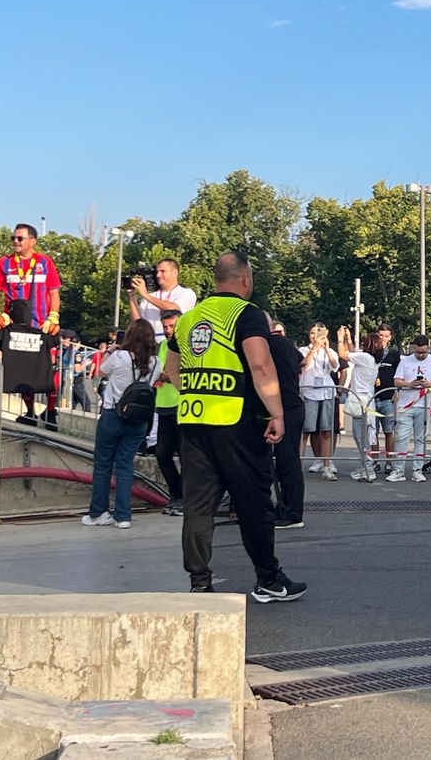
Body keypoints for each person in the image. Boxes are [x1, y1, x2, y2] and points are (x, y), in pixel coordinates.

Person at [166, 250, 305, 602]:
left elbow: (170, 370)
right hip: (236, 423)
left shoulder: (188, 319)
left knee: (198, 505)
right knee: (254, 502)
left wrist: (197, 390)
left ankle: (199, 582)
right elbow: (260, 365)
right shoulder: (247, 314)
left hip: (194, 420)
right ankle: (268, 579)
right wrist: (277, 413)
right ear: (245, 279)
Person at [82, 318, 159, 530]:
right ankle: (123, 516)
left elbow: (100, 372)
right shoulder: (156, 362)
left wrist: (111, 350)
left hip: (113, 416)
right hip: (139, 421)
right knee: (125, 466)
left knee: (103, 465)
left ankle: (99, 512)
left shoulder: (120, 356)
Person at [0, 223, 62, 429]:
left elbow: (54, 292)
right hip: (17, 326)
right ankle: (29, 412)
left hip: (43, 326)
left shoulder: (45, 262)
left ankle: (51, 411)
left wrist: (54, 316)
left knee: (51, 367)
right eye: (13, 238)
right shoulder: (4, 263)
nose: (15, 242)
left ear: (32, 241)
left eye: (19, 238)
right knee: (23, 370)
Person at [266, 317, 306, 528]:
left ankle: (292, 512)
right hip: (291, 404)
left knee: (287, 461)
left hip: (285, 407)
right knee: (286, 460)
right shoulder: (285, 344)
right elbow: (302, 361)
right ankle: (287, 509)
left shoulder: (269, 344)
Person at [390, 335, 431, 482]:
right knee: (401, 438)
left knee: (421, 438)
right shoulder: (404, 361)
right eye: (418, 352)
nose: (420, 355)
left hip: (426, 404)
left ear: (428, 347)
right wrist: (409, 384)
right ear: (413, 347)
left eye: (423, 352)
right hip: (406, 404)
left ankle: (417, 470)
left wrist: (429, 384)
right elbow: (396, 380)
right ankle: (398, 470)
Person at [154, 310, 185, 516]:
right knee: (162, 453)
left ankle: (185, 498)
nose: (168, 331)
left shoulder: (186, 345)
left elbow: (170, 372)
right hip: (163, 404)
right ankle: (177, 494)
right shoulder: (163, 345)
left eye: (172, 326)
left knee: (185, 455)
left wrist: (165, 374)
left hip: (181, 405)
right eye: (165, 327)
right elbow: (159, 370)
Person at [299, 323, 340, 481]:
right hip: (309, 392)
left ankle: (327, 466)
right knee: (306, 430)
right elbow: (304, 364)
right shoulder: (304, 350)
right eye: (312, 333)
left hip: (326, 392)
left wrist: (327, 348)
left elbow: (335, 366)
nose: (314, 337)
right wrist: (314, 349)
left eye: (318, 334)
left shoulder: (329, 351)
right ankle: (299, 465)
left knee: (326, 431)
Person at [338, 329, 379, 481]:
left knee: (361, 436)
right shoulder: (371, 358)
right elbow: (354, 352)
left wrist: (340, 339)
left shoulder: (366, 357)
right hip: (366, 400)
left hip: (361, 400)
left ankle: (368, 467)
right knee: (363, 435)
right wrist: (349, 339)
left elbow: (344, 355)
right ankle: (366, 465)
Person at [128, 258, 197, 342]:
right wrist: (132, 296)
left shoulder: (186, 293)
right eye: (157, 272)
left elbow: (174, 309)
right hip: (151, 345)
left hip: (174, 344)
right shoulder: (150, 296)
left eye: (163, 271)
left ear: (175, 273)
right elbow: (138, 323)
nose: (158, 275)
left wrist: (145, 294)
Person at [372, 324, 400, 464]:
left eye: (386, 336)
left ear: (390, 337)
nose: (383, 338)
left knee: (389, 431)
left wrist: (398, 390)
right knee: (373, 432)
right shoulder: (371, 351)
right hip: (372, 397)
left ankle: (390, 462)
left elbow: (399, 374)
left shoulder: (394, 353)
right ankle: (375, 462)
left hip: (388, 397)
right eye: (381, 335)